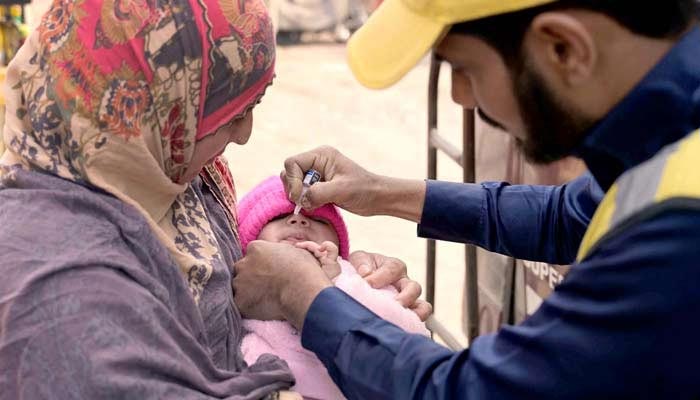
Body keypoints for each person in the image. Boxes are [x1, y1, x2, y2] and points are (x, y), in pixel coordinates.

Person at [232, 0, 700, 398]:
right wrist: (376, 192)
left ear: (563, 47)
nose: (462, 98)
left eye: (464, 69)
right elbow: (570, 215)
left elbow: (472, 391)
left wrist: (304, 296)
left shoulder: (680, 234)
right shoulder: (669, 134)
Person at [0, 0, 425, 398]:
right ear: (149, 108)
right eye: (231, 115)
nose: (245, 134)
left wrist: (343, 281)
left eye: (252, 105)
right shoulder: (63, 301)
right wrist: (317, 307)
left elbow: (237, 284)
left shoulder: (163, 168)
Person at [237, 176, 428, 400]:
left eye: (318, 219)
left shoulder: (359, 276)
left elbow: (414, 335)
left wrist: (336, 285)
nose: (298, 220)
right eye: (279, 216)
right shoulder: (241, 287)